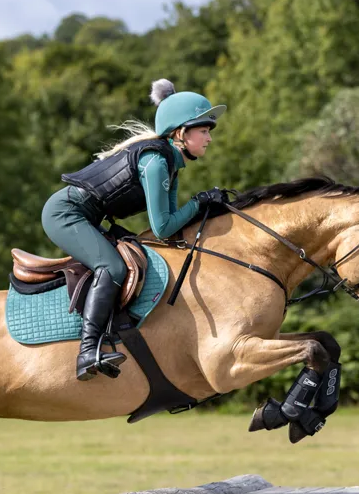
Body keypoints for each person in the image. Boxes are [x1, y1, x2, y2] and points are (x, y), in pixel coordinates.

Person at [42, 78, 227, 381]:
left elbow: (167, 227)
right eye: (204, 131)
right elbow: (164, 226)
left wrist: (204, 206)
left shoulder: (169, 162)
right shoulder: (155, 162)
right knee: (112, 267)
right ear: (180, 133)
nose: (209, 139)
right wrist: (199, 202)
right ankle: (87, 351)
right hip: (65, 214)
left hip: (88, 217)